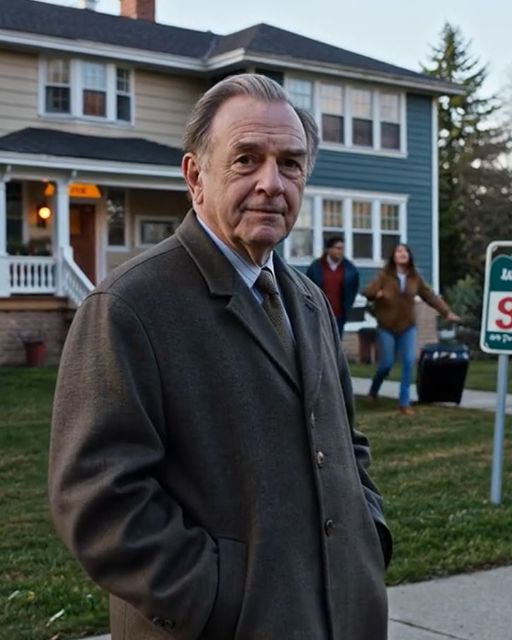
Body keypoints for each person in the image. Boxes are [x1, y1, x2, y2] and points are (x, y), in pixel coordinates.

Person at [49, 74, 391, 640]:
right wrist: (215, 599)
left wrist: (367, 534)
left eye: (290, 163)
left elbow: (346, 442)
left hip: (345, 616)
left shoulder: (309, 300)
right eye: (246, 159)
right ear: (195, 176)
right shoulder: (129, 306)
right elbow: (98, 498)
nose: (271, 183)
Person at [364, 242, 460, 416]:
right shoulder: (384, 275)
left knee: (409, 361)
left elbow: (430, 296)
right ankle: (374, 390)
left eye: (405, 251)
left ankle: (404, 402)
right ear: (393, 256)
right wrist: (377, 294)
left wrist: (446, 312)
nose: (402, 254)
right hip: (386, 327)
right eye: (399, 251)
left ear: (409, 256)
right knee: (386, 364)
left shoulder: (415, 277)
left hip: (407, 326)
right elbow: (367, 291)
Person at [306, 235, 359, 339]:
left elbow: (353, 289)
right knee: (319, 342)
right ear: (329, 249)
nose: (340, 251)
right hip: (319, 313)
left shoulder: (350, 269)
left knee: (336, 342)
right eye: (338, 248)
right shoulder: (316, 267)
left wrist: (348, 306)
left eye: (342, 248)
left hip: (339, 315)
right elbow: (307, 287)